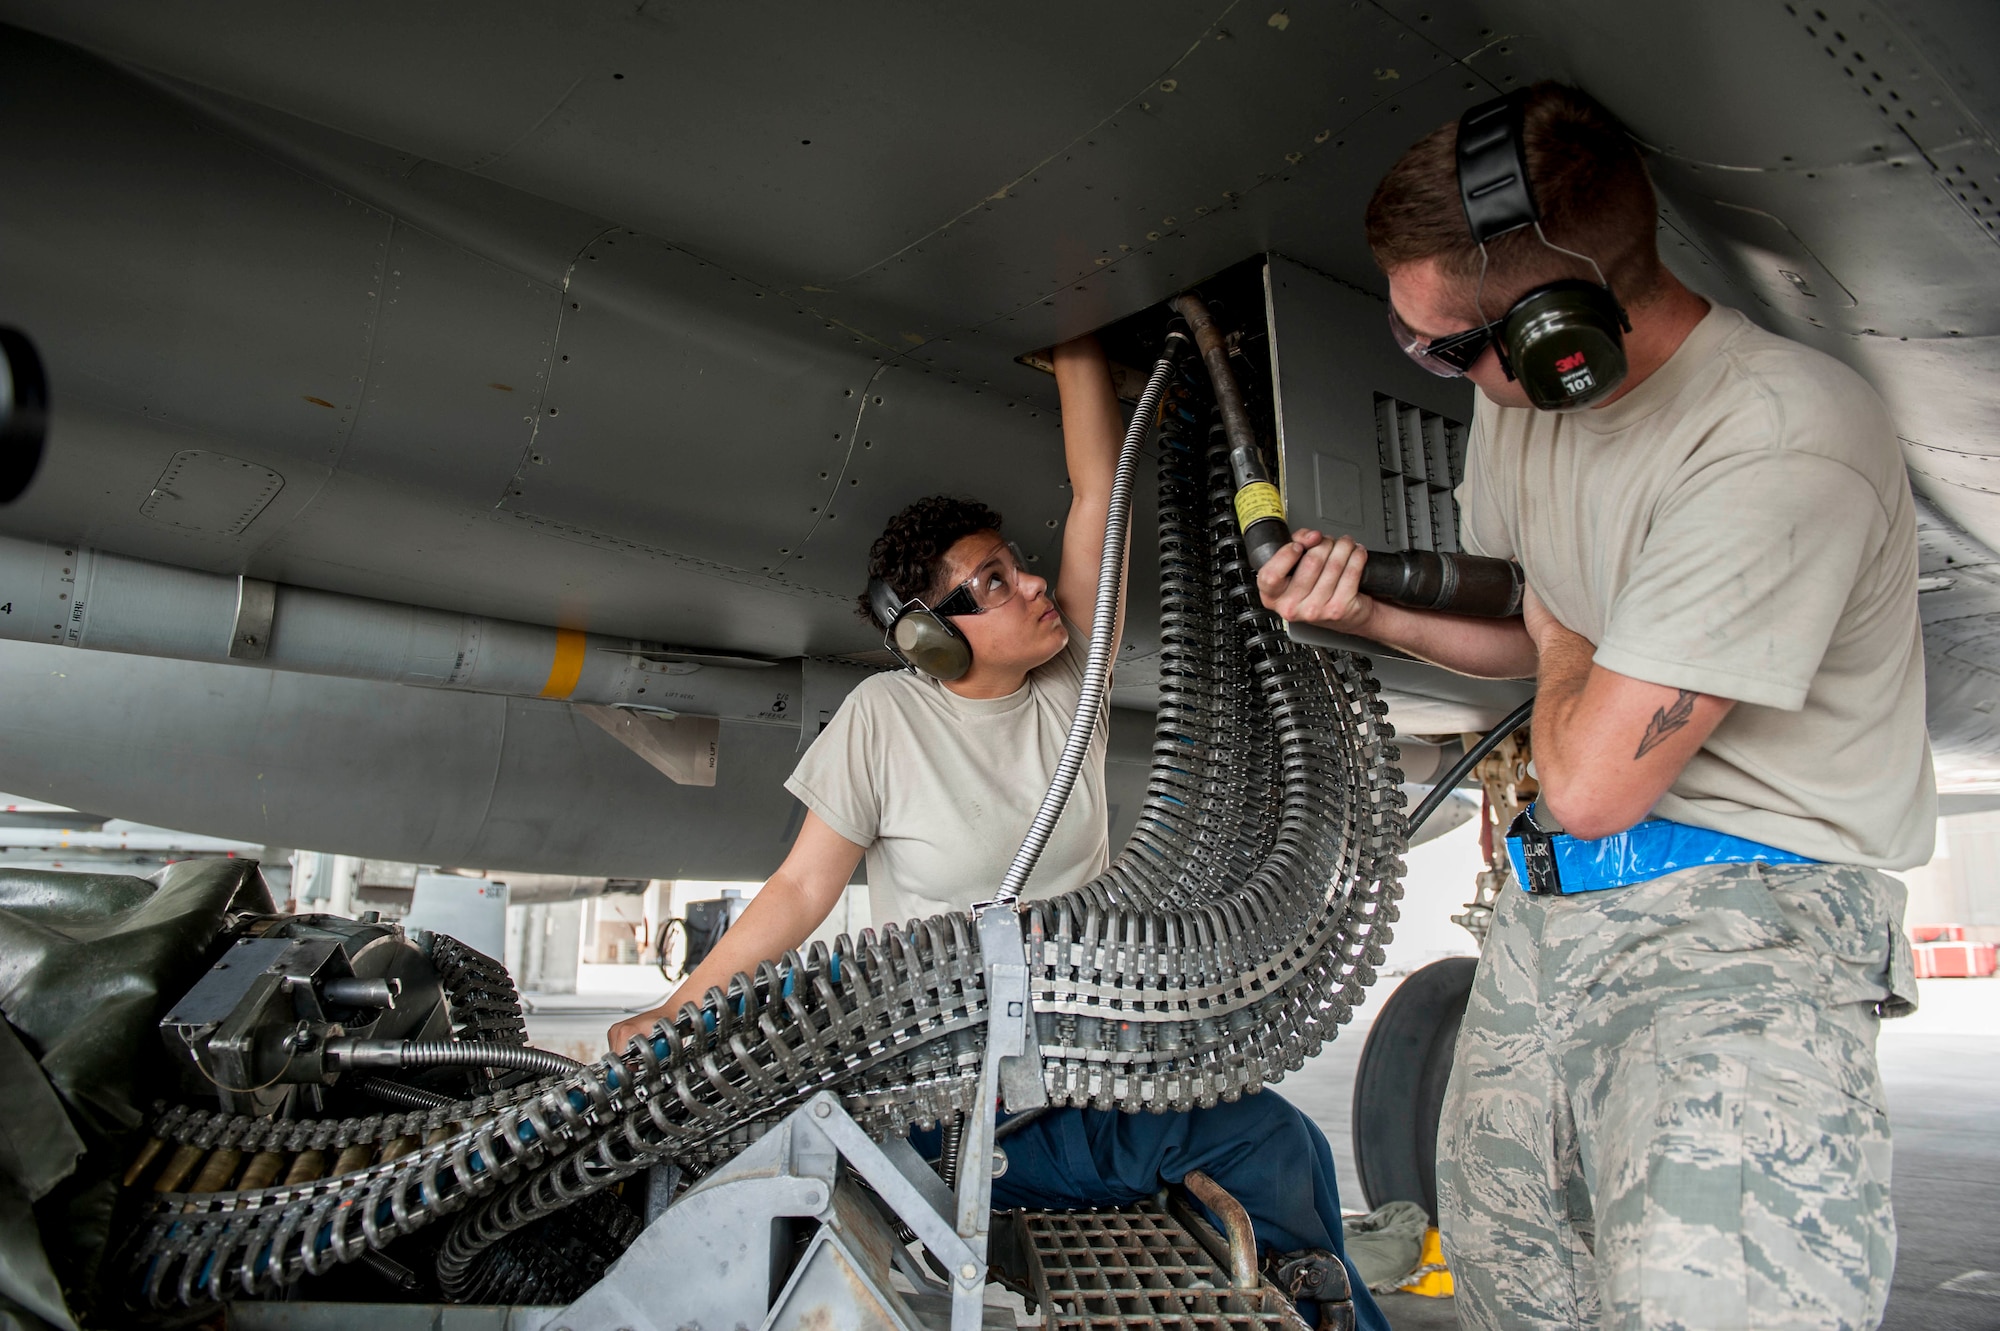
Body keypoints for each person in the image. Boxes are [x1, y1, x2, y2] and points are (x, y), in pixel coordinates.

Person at [1258, 81, 1929, 1330]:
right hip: (1549, 928)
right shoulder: (1521, 404)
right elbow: (1531, 626)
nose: (1430, 366)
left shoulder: (1777, 438)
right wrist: (1369, 616)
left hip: (1735, 951)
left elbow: (1591, 773)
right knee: (1518, 1301)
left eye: (1445, 349)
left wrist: (1564, 629)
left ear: (1554, 330)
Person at [608, 335, 1385, 1331]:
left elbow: (1097, 492)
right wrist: (675, 1011)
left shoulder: (1069, 682)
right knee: (1267, 1147)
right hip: (962, 1105)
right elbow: (799, 889)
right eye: (993, 581)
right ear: (931, 637)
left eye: (1016, 562)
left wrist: (1078, 335)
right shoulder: (884, 719)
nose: (1031, 583)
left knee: (1291, 1143)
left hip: (1084, 1066)